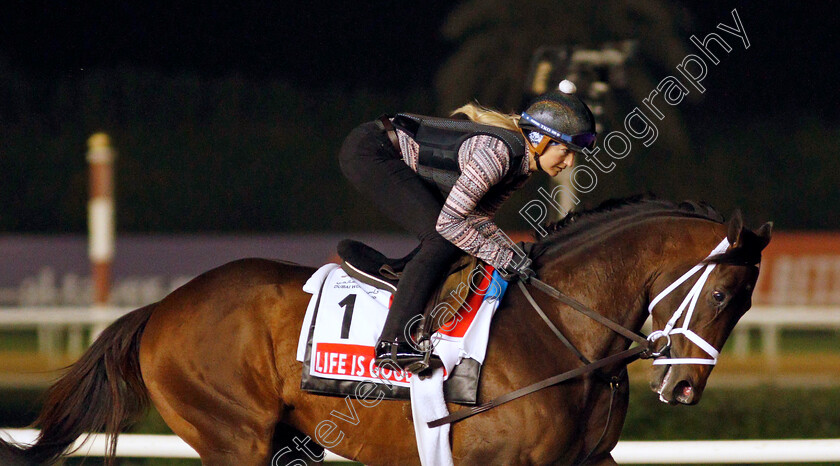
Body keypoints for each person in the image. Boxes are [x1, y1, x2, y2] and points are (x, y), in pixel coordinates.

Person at [338, 80, 597, 373]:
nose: (570, 162)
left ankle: (396, 272)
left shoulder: (519, 169)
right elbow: (450, 224)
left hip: (386, 149)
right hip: (370, 151)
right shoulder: (497, 155)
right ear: (539, 140)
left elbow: (477, 220)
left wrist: (519, 254)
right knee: (441, 239)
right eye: (566, 150)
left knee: (450, 239)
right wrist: (504, 257)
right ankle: (392, 343)